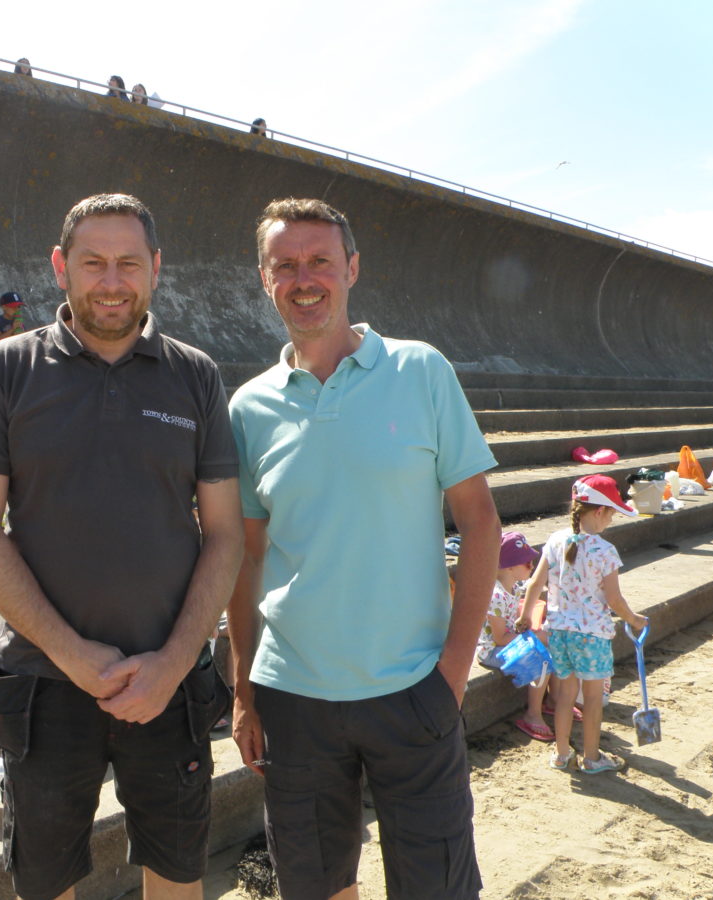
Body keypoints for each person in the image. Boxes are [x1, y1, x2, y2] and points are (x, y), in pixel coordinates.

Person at [0, 193, 242, 900]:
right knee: (45, 882)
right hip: (44, 681)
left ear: (155, 270)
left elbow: (227, 532)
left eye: (128, 263)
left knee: (178, 875)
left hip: (168, 682)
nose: (111, 281)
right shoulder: (5, 370)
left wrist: (174, 663)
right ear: (61, 267)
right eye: (93, 263)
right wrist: (72, 654)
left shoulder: (196, 375)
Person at [228, 197, 500, 899]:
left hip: (413, 690)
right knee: (315, 887)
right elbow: (247, 556)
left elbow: (478, 522)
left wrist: (453, 673)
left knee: (437, 888)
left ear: (351, 268)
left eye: (320, 260)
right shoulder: (248, 408)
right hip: (291, 697)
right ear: (264, 278)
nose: (304, 278)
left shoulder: (421, 371)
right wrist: (243, 691)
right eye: (285, 265)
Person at [516, 474, 648, 775]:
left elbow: (535, 583)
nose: (611, 520)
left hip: (559, 632)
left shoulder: (556, 540)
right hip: (592, 636)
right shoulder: (605, 551)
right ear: (600, 511)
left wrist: (525, 616)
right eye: (611, 514)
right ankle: (591, 757)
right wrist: (633, 619)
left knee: (563, 696)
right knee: (591, 700)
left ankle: (562, 753)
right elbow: (613, 599)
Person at [478, 532, 554, 741]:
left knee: (554, 642)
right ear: (510, 567)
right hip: (491, 649)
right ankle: (532, 715)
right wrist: (531, 636)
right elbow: (500, 638)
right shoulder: (497, 596)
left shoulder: (514, 587)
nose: (531, 567)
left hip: (507, 640)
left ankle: (553, 701)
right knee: (540, 659)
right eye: (527, 564)